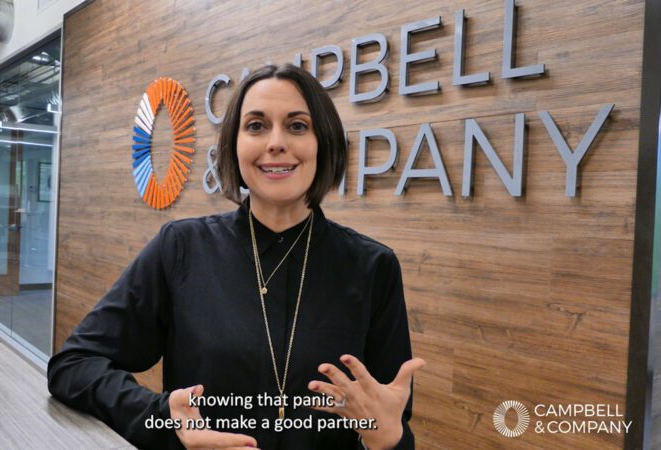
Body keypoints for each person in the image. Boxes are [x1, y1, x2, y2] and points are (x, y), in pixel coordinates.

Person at [47, 64, 424, 450]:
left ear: (323, 142)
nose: (276, 143)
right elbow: (73, 366)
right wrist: (160, 418)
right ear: (235, 145)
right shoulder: (182, 248)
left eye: (297, 126)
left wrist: (390, 437)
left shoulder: (372, 266)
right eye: (256, 126)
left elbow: (391, 427)